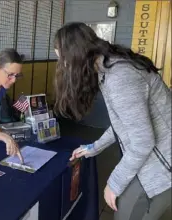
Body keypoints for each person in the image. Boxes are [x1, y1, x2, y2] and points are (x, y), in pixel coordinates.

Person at [53, 22, 171, 220]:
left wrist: (114, 183)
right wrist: (94, 147)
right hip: (153, 158)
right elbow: (124, 123)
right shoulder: (110, 68)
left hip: (162, 165)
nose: (63, 67)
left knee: (124, 210)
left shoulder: (119, 77)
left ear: (75, 55)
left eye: (63, 60)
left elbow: (143, 141)